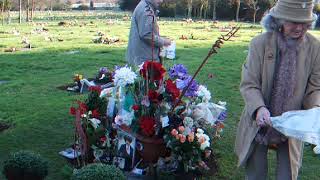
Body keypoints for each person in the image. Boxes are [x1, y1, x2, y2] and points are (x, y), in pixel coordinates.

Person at [234, 0, 320, 179]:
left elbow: (315, 88)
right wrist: (259, 108)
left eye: (304, 23)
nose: (299, 28)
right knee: (256, 173)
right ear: (279, 20)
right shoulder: (259, 44)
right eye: (293, 22)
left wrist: (315, 110)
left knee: (287, 175)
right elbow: (249, 83)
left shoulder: (316, 48)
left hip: (292, 125)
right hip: (259, 122)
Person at [126, 0, 171, 65]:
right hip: (145, 62)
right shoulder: (146, 11)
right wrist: (163, 42)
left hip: (141, 58)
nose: (161, 1)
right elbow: (146, 35)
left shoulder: (145, 6)